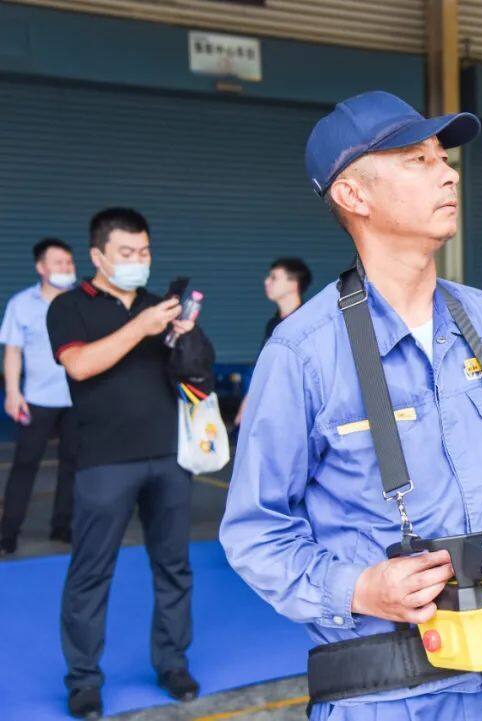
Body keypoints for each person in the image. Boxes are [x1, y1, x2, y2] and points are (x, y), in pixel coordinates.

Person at [219, 90, 482, 721]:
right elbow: (255, 531)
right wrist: (357, 587)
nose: (447, 171)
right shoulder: (303, 352)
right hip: (386, 695)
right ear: (354, 196)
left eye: (443, 156)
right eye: (416, 159)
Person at [47, 208, 201, 719]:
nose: (139, 262)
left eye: (145, 252)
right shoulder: (69, 308)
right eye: (127, 254)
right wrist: (141, 328)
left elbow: (193, 378)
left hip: (169, 458)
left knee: (174, 567)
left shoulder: (161, 306)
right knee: (91, 573)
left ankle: (172, 663)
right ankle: (84, 680)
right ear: (98, 257)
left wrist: (185, 338)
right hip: (104, 462)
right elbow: (81, 364)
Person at [0, 239, 79, 555]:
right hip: (37, 399)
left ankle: (63, 527)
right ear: (41, 268)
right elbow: (13, 351)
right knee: (25, 465)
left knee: (72, 465)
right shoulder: (22, 303)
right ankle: (8, 532)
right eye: (59, 262)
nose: (66, 268)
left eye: (70, 263)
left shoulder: (79, 302)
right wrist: (12, 391)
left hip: (77, 399)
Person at [234, 257, 311, 426]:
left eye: (274, 277)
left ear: (293, 284)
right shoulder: (273, 324)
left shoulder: (307, 324)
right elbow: (263, 367)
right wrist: (248, 401)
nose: (266, 281)